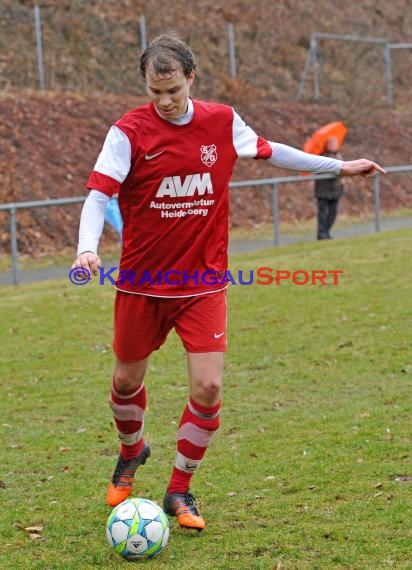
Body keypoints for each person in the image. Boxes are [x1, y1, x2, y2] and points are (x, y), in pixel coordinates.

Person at [72, 34, 385, 531]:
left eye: (173, 90)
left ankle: (179, 490)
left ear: (191, 78)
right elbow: (97, 195)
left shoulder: (221, 121)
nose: (166, 102)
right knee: (126, 383)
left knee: (210, 386)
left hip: (203, 282)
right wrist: (87, 247)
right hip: (142, 283)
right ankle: (132, 451)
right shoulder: (127, 132)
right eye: (156, 93)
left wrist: (340, 166)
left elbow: (272, 151)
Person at [314, 136, 344, 239]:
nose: (335, 145)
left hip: (335, 190)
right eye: (332, 143)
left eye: (335, 143)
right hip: (323, 190)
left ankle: (326, 232)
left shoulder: (338, 156)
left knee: (333, 213)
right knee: (322, 213)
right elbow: (327, 170)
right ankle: (322, 234)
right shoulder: (322, 157)